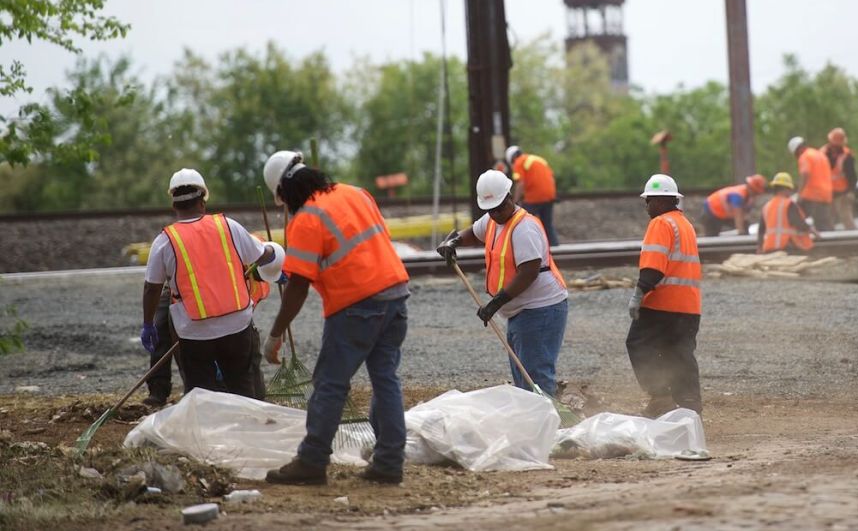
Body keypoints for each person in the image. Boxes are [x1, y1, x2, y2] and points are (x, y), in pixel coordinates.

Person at [261, 150, 411, 486]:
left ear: (284, 192)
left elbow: (298, 284)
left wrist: (275, 335)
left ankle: (312, 461)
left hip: (356, 305)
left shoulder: (306, 219)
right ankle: (389, 462)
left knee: (330, 384)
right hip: (396, 294)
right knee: (386, 378)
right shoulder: (356, 193)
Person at [140, 168, 284, 402]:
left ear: (174, 206)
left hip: (193, 332)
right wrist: (274, 254)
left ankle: (209, 434)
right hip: (237, 326)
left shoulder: (165, 241)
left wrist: (148, 324)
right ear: (203, 201)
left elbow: (152, 288)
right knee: (242, 388)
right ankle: (247, 429)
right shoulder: (228, 226)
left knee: (202, 395)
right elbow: (262, 256)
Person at [437, 169, 569, 397]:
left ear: (511, 197)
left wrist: (495, 303)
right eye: (490, 210)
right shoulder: (492, 220)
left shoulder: (523, 228)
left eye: (499, 208)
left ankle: (546, 422)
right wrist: (453, 242)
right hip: (520, 310)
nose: (495, 214)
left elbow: (528, 273)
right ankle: (532, 421)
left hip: (540, 309)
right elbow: (473, 232)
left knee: (534, 376)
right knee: (523, 376)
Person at [626, 173, 703, 417]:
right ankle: (689, 407)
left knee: (638, 344)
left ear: (660, 201)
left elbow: (654, 267)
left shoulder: (660, 223)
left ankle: (660, 398)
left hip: (662, 305)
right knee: (679, 354)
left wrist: (638, 294)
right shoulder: (685, 224)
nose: (646, 206)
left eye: (648, 200)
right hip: (689, 306)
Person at [505, 146, 560, 246]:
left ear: (511, 159)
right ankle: (555, 247)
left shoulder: (519, 162)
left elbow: (520, 183)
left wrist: (515, 201)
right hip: (550, 195)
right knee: (547, 224)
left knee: (523, 222)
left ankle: (527, 247)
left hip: (534, 197)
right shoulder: (538, 159)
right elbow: (551, 178)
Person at [756, 172, 817, 254]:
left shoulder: (767, 206)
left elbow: (761, 230)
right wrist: (812, 231)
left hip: (769, 248)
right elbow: (799, 223)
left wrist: (760, 247)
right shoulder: (788, 204)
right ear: (786, 189)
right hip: (787, 247)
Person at [789, 136, 834, 231]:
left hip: (812, 195)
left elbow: (805, 174)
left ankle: (798, 240)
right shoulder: (820, 154)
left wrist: (799, 193)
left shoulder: (804, 156)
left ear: (798, 150)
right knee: (823, 222)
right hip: (826, 195)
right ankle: (829, 242)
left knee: (793, 214)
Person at [700, 174, 767, 237]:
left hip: (722, 214)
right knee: (712, 237)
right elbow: (738, 215)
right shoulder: (737, 195)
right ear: (750, 188)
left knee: (745, 223)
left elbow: (743, 215)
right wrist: (741, 232)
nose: (756, 195)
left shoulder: (748, 197)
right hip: (711, 212)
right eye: (755, 192)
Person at [821, 128, 858, 230]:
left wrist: (851, 191)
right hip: (828, 194)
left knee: (846, 218)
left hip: (842, 194)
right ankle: (829, 243)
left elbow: (852, 176)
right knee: (827, 221)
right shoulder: (822, 153)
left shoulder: (847, 155)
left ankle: (854, 240)